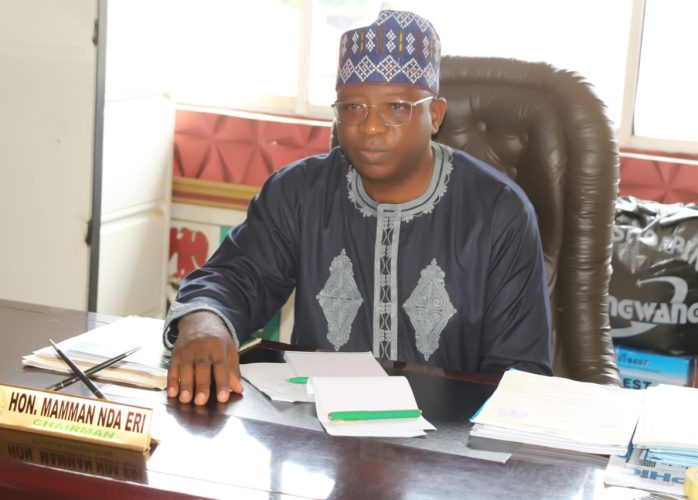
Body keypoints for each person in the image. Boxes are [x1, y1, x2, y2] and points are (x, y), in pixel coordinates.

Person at [164, 10, 552, 406]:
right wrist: (205, 319)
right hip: (319, 430)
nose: (370, 127)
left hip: (448, 434)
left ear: (434, 115)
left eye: (396, 107)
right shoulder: (299, 193)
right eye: (352, 108)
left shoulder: (498, 212)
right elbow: (237, 277)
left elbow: (520, 372)